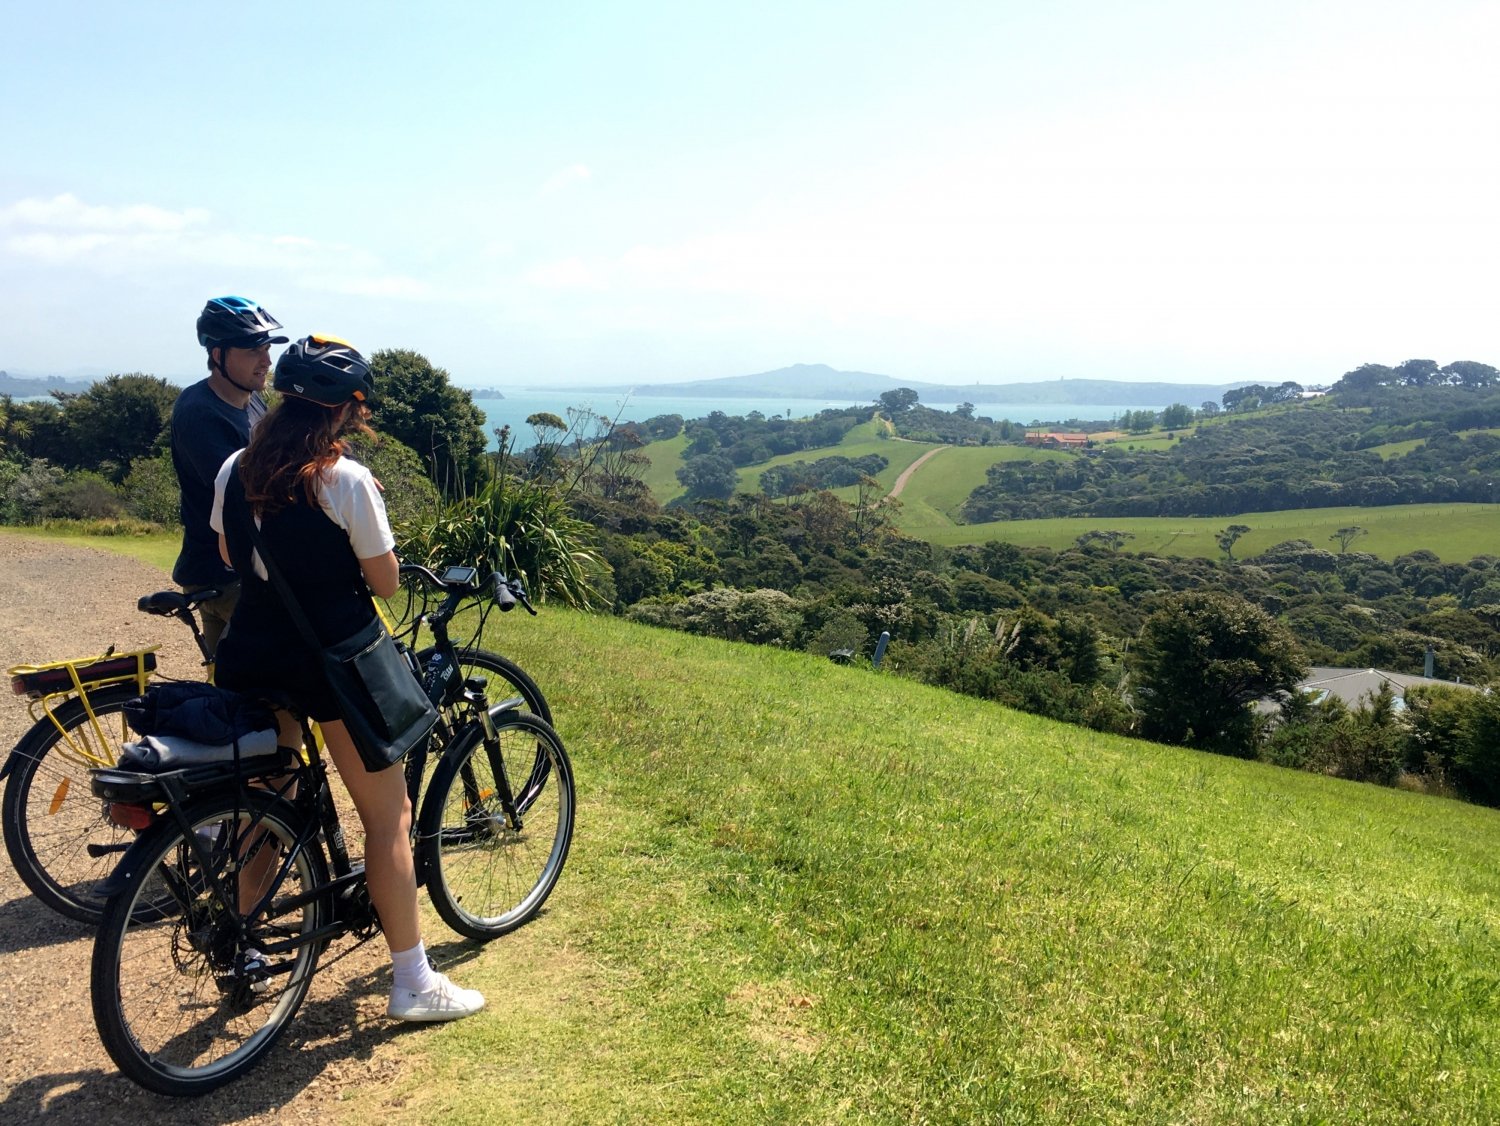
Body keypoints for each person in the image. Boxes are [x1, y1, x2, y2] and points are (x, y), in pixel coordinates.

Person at [208, 334, 485, 1023]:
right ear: (346, 410)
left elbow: (227, 551)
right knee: (387, 818)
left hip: (252, 654)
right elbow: (386, 584)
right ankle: (413, 981)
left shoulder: (235, 468)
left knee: (265, 807)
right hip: (332, 664)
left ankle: (247, 945)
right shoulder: (346, 480)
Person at [170, 296, 287, 657]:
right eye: (253, 350)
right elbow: (248, 492)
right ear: (218, 355)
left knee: (233, 695)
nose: (266, 361)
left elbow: (281, 455)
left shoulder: (252, 401)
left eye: (267, 349)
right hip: (222, 572)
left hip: (238, 567)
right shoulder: (199, 413)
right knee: (294, 674)